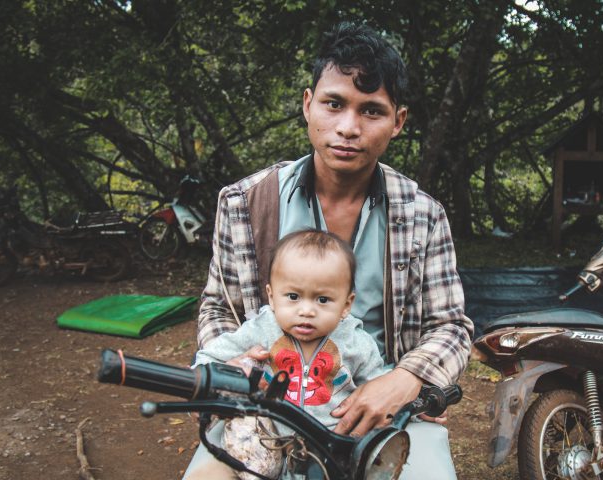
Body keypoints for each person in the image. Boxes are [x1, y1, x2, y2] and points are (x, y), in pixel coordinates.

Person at [185, 21, 473, 479]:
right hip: (262, 413)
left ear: (398, 122)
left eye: (371, 112)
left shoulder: (423, 215)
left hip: (379, 415)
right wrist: (233, 361)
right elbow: (218, 305)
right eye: (334, 104)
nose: (347, 128)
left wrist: (405, 381)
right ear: (307, 105)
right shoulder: (243, 203)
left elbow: (452, 326)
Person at [192, 229, 386, 478]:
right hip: (263, 442)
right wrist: (225, 373)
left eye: (323, 300)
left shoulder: (356, 342)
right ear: (272, 297)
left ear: (346, 304)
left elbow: (377, 389)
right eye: (293, 297)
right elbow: (208, 359)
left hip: (330, 448)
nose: (306, 310)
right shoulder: (261, 329)